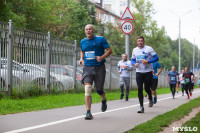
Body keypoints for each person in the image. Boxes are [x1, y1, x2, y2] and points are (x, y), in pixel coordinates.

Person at [79, 24, 112, 120]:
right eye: (86, 29)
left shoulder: (101, 39)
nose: (88, 31)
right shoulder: (83, 41)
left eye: (90, 29)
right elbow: (82, 51)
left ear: (93, 30)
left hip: (99, 67)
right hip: (88, 68)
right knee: (88, 88)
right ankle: (88, 112)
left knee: (99, 89)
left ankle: (103, 99)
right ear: (85, 31)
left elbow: (110, 51)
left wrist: (101, 57)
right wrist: (81, 58)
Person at [131, 36, 159, 113]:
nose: (140, 42)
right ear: (137, 42)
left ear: (144, 42)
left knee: (147, 88)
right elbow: (132, 59)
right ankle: (141, 107)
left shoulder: (149, 49)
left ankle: (150, 98)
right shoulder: (135, 50)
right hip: (139, 72)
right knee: (140, 88)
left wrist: (148, 62)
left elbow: (156, 58)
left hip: (148, 72)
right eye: (138, 41)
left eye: (141, 41)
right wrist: (134, 64)